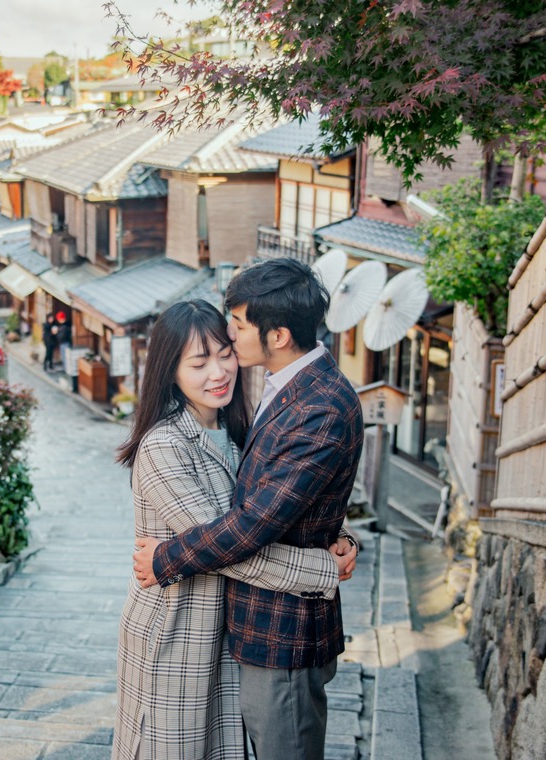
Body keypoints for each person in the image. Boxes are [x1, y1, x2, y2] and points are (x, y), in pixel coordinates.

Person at [133, 259, 364, 760]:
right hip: (192, 632)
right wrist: (325, 561)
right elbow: (259, 518)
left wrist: (166, 558)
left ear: (277, 335)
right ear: (169, 371)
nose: (224, 361)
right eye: (199, 362)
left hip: (275, 633)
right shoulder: (168, 444)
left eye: (233, 334)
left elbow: (258, 520)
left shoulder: (303, 406)